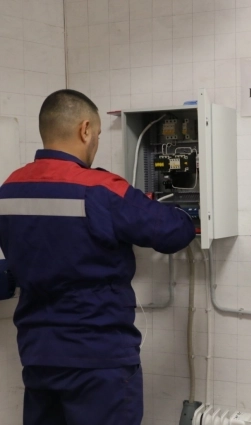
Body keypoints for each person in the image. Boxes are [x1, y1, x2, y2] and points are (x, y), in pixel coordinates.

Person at [0, 90, 195, 425]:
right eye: (99, 135)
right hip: (99, 359)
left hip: (38, 355)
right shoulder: (100, 189)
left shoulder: (9, 190)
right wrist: (185, 214)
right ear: (85, 129)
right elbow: (174, 233)